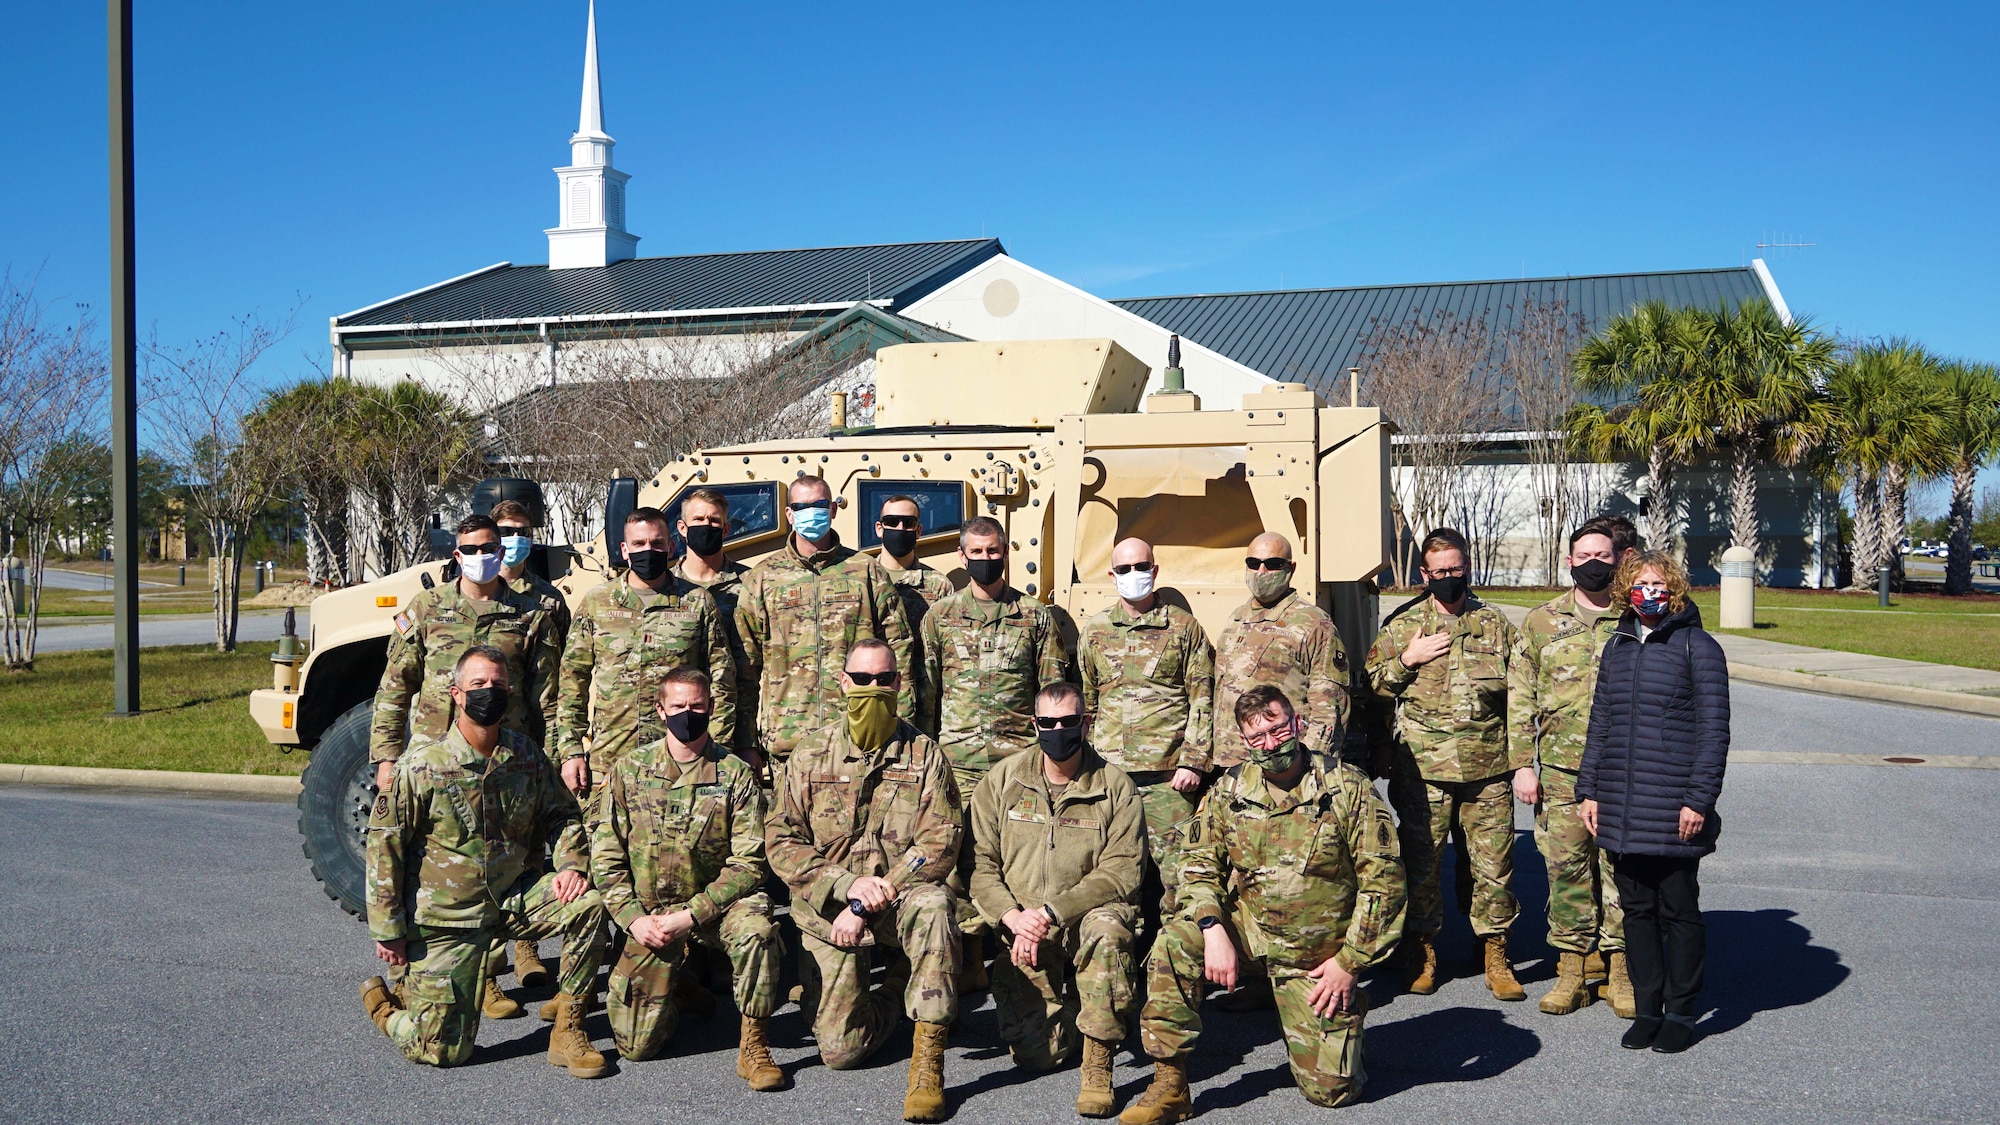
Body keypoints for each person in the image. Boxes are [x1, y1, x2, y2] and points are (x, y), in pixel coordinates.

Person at [1123, 686, 1405, 1122]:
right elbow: (1196, 866)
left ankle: (1335, 1014)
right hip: (1250, 934)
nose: (1271, 745)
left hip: (1317, 956)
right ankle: (1169, 1083)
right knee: (1175, 942)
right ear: (1244, 741)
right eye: (1257, 739)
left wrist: (1350, 963)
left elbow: (1384, 885)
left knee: (1333, 1091)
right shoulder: (1228, 791)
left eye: (1277, 730)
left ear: (1296, 724)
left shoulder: (1346, 788)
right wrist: (1212, 926)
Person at [358, 646, 609, 1077]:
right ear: (456, 694)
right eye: (478, 685)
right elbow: (385, 849)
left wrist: (571, 865)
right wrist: (389, 931)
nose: (488, 692)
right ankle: (389, 1006)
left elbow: (562, 814)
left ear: (509, 691)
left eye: (497, 684)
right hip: (450, 919)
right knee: (442, 1052)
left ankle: (568, 1027)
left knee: (589, 904)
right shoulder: (421, 767)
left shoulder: (526, 756)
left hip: (514, 898)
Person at [368, 513, 564, 1021]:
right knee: (430, 869)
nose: (482, 554)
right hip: (434, 765)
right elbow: (394, 688)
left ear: (503, 549)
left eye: (490, 545)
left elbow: (549, 695)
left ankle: (496, 964)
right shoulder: (428, 608)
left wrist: (558, 757)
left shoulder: (530, 611)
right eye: (471, 546)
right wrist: (387, 758)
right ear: (456, 554)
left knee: (508, 858)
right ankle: (414, 973)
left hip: (508, 762)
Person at [764, 639, 963, 1122]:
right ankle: (897, 984)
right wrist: (845, 887)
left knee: (936, 906)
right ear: (843, 684)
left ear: (898, 684)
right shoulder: (811, 754)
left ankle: (927, 1065)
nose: (872, 689)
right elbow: (781, 840)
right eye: (862, 680)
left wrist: (875, 894)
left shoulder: (924, 753)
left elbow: (940, 843)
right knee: (841, 1051)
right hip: (829, 909)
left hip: (897, 900)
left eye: (883, 680)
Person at [588, 668, 784, 1090]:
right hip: (651, 916)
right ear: (660, 710)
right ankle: (681, 988)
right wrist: (632, 918)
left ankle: (753, 1045)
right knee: (635, 1046)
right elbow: (606, 855)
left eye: (697, 706)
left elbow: (750, 862)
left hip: (716, 909)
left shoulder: (735, 774)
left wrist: (692, 916)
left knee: (757, 931)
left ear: (711, 708)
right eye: (678, 706)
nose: (688, 714)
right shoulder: (630, 770)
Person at [1365, 527, 1526, 1000]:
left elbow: (1520, 697)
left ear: (1467, 567)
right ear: (1424, 574)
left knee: (1494, 867)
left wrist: (1521, 763)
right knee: (1421, 864)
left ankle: (1495, 953)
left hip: (1487, 770)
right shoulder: (1402, 625)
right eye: (1440, 572)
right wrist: (1407, 660)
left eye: (1456, 570)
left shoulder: (1495, 625)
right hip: (1423, 772)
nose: (1449, 578)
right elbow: (1373, 688)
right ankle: (1421, 951)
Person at [968, 682, 1143, 1117]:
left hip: (1084, 920)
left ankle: (1099, 1062)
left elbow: (1122, 871)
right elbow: (979, 865)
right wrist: (1013, 917)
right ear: (1035, 725)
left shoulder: (1116, 787)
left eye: (1068, 722)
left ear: (1086, 723)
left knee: (1107, 931)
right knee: (1036, 1055)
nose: (1058, 730)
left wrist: (1052, 912)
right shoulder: (1003, 781)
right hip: (1024, 926)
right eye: (1048, 723)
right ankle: (1093, 1005)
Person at [1580, 550, 1729, 1055]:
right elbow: (1600, 724)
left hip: (1673, 805)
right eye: (1640, 583)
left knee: (1679, 909)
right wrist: (1590, 789)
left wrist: (1698, 800)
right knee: (1637, 910)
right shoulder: (1619, 646)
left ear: (1676, 590)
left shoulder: (1699, 647)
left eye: (1658, 584)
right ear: (1625, 589)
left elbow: (1714, 733)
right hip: (1621, 803)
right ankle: (1649, 1008)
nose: (1649, 592)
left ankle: (1682, 1012)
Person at [920, 516, 1071, 991]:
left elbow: (1052, 693)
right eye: (977, 553)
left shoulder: (1034, 616)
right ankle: (967, 957)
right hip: (957, 762)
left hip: (1019, 763)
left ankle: (1020, 954)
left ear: (1005, 554)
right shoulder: (939, 617)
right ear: (961, 557)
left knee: (1017, 858)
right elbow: (928, 695)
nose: (986, 560)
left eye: (994, 551)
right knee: (959, 860)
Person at [1509, 518, 1634, 1017]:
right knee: (1566, 871)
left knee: (1620, 871)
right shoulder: (1542, 622)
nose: (1592, 564)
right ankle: (1572, 971)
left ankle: (1621, 970)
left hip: (1623, 772)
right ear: (1568, 561)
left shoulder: (1636, 618)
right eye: (1582, 557)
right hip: (1561, 771)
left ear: (1620, 558)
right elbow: (1520, 696)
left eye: (1601, 556)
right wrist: (1522, 764)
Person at [555, 507, 736, 803]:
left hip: (682, 759)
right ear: (625, 550)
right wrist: (571, 750)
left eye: (656, 544)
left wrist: (718, 749)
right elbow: (572, 680)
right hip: (611, 759)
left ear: (671, 547)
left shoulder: (696, 602)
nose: (648, 551)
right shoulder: (597, 602)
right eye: (639, 545)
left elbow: (722, 680)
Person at [737, 475, 914, 778]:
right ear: (789, 514)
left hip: (860, 739)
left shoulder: (866, 572)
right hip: (789, 744)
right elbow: (746, 666)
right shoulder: (763, 578)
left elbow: (901, 652)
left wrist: (905, 729)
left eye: (819, 504)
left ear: (832, 509)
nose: (812, 512)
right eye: (802, 506)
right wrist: (745, 741)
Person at [1077, 537, 1214, 923]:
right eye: (1124, 569)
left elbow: (1203, 697)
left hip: (1168, 779)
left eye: (1141, 567)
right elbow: (1088, 702)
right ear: (1112, 575)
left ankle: (1176, 965)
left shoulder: (1184, 628)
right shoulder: (1097, 630)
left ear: (1154, 571)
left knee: (1179, 876)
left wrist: (1194, 762)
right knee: (1112, 875)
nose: (1133, 575)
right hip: (1109, 777)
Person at [488, 498, 571, 993]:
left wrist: (557, 747)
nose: (513, 539)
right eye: (504, 531)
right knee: (480, 849)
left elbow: (554, 681)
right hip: (473, 745)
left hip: (526, 742)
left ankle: (526, 948)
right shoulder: (456, 593)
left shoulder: (547, 600)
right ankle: (487, 969)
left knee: (529, 844)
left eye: (521, 531)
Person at [674, 487, 754, 727]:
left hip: (732, 719)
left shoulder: (749, 584)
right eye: (698, 519)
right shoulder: (667, 588)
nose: (706, 525)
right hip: (679, 719)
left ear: (726, 529)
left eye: (714, 520)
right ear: (682, 528)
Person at [876, 494, 958, 688]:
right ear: (879, 529)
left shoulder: (938, 585)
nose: (900, 528)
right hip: (874, 688)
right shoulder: (864, 578)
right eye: (892, 522)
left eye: (908, 523)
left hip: (922, 693)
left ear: (918, 530)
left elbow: (948, 649)